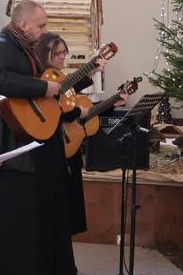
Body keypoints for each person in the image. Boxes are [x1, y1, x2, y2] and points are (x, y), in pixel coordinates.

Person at [0, 0, 101, 275]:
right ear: (23, 24)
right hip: (9, 143)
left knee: (30, 218)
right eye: (40, 25)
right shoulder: (1, 47)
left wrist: (86, 74)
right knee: (6, 219)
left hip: (32, 139)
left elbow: (52, 88)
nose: (44, 30)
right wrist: (41, 89)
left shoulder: (26, 49)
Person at [35, 33, 126, 235]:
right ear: (43, 54)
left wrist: (109, 103)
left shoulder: (60, 80)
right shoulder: (40, 82)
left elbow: (75, 101)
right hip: (52, 150)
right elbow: (63, 111)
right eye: (56, 53)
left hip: (70, 149)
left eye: (64, 52)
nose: (62, 57)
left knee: (71, 207)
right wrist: (78, 112)